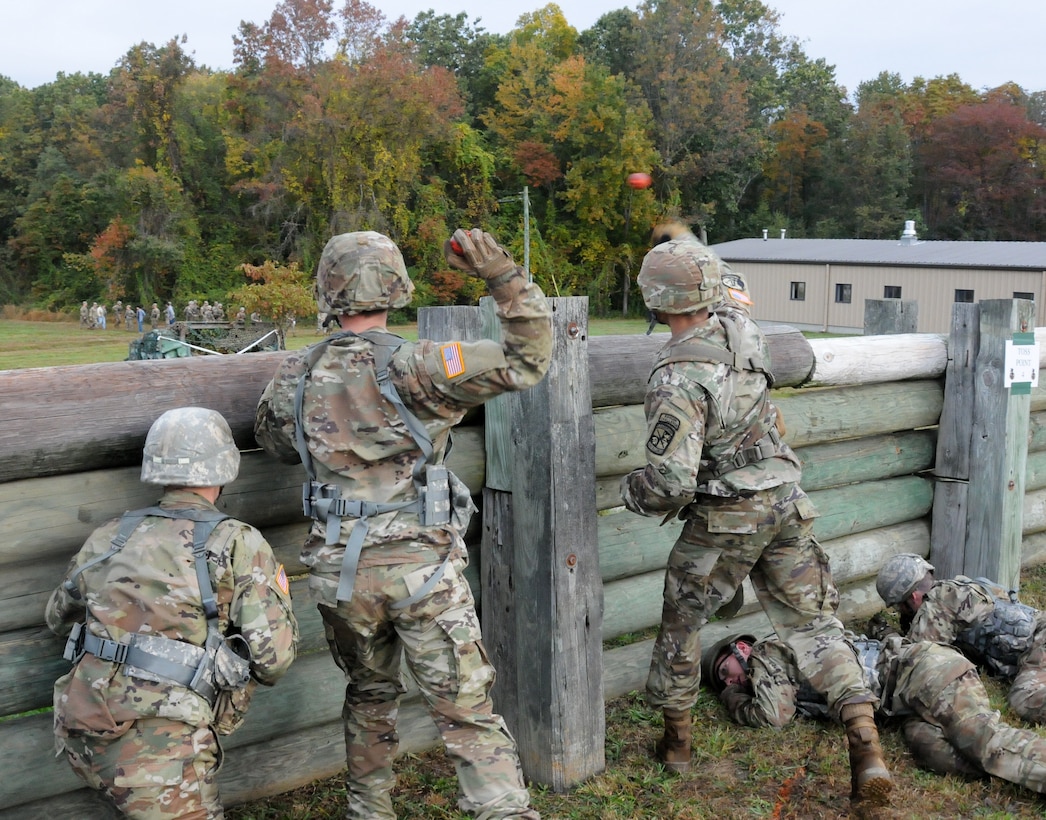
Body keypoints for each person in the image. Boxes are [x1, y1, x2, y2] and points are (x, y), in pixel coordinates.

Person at [254, 228, 552, 819]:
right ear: (395, 287)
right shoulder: (422, 365)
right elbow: (528, 358)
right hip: (421, 571)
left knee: (368, 696)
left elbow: (276, 441)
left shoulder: (298, 373)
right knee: (465, 709)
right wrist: (500, 275)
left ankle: (369, 812)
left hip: (339, 572)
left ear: (328, 291)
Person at [620, 235, 892, 805]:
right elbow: (732, 290)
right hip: (786, 499)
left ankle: (675, 745)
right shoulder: (746, 330)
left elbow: (670, 482)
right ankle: (866, 744)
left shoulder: (675, 377)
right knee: (815, 627)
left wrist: (633, 493)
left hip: (727, 517)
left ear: (654, 300)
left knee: (682, 624)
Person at [46, 406, 298, 819]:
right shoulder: (236, 542)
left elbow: (58, 617)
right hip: (159, 750)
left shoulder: (110, 535)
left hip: (82, 732)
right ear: (224, 467)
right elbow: (273, 660)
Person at [708, 631, 1046, 794]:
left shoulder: (765, 653)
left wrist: (732, 696)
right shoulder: (780, 666)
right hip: (904, 702)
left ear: (741, 649)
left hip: (921, 671)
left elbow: (772, 716)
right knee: (934, 750)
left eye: (727, 673)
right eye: (726, 682)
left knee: (984, 742)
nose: (733, 680)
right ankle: (1019, 768)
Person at [874, 553, 1046, 724]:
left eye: (899, 606)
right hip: (1038, 636)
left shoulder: (937, 609)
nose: (901, 612)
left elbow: (914, 659)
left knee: (1024, 701)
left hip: (1039, 642)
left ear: (913, 597)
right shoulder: (956, 588)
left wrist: (886, 634)